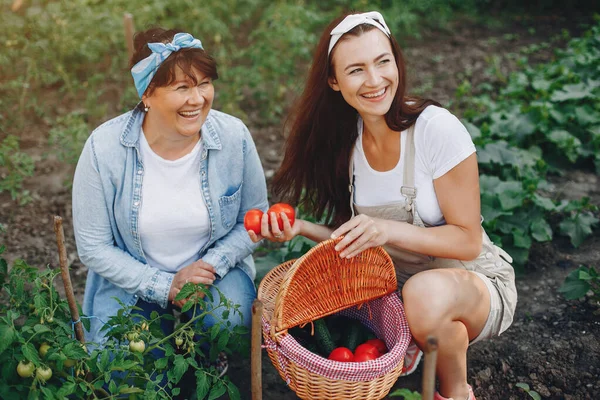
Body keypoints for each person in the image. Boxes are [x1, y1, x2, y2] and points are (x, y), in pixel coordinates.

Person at [249, 11, 517, 400]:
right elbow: (361, 239)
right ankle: (426, 338)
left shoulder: (435, 130)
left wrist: (388, 229)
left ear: (396, 61)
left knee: (425, 296)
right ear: (334, 81)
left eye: (382, 62)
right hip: (393, 291)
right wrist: (302, 228)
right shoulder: (348, 146)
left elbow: (467, 241)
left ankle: (456, 391)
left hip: (470, 283)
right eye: (356, 70)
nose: (375, 81)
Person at [72, 27, 268, 368]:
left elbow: (253, 218)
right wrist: (165, 286)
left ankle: (208, 357)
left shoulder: (233, 137)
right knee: (123, 369)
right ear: (147, 94)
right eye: (182, 88)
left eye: (204, 83)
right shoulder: (104, 149)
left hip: (211, 276)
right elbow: (93, 247)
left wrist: (211, 266)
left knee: (230, 321)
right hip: (132, 279)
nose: (198, 99)